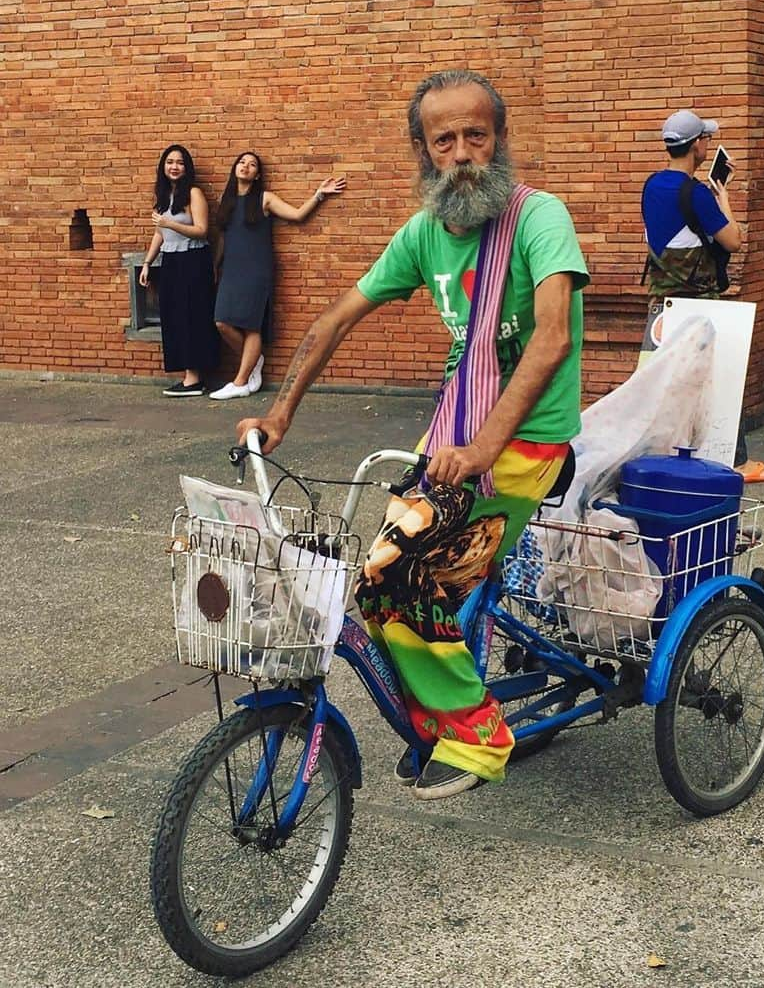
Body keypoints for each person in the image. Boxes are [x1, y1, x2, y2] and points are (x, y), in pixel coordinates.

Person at [238, 70, 589, 799]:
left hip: (525, 443)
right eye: (444, 140)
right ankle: (438, 702)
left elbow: (552, 338)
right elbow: (336, 318)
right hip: (454, 433)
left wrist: (490, 445)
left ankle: (476, 731)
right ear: (424, 153)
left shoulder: (539, 217)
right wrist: (279, 412)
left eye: (476, 136)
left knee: (399, 571)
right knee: (378, 580)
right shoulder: (423, 234)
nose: (462, 153)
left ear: (498, 141)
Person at [639, 108, 764, 482]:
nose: (709, 145)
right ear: (696, 146)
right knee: (720, 379)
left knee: (663, 381)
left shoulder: (651, 185)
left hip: (662, 303)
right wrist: (724, 197)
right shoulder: (697, 194)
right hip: (699, 303)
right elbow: (733, 241)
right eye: (706, 139)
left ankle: (655, 456)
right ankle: (735, 461)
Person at [209, 152, 346, 401]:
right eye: (242, 162)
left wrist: (319, 194)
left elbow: (297, 215)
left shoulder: (264, 199)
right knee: (222, 322)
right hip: (231, 269)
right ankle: (253, 361)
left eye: (252, 165)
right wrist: (215, 266)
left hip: (256, 269)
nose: (246, 167)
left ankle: (241, 381)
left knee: (251, 326)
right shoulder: (226, 200)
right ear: (235, 168)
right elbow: (223, 238)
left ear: (257, 174)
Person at [140, 145, 219, 396]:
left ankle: (194, 380)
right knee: (173, 316)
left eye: (180, 163)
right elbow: (160, 234)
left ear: (187, 168)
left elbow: (202, 230)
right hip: (171, 262)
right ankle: (188, 376)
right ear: (163, 166)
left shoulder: (194, 193)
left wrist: (168, 222)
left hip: (193, 260)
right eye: (170, 162)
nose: (174, 167)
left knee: (191, 316)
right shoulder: (165, 196)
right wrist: (147, 262)